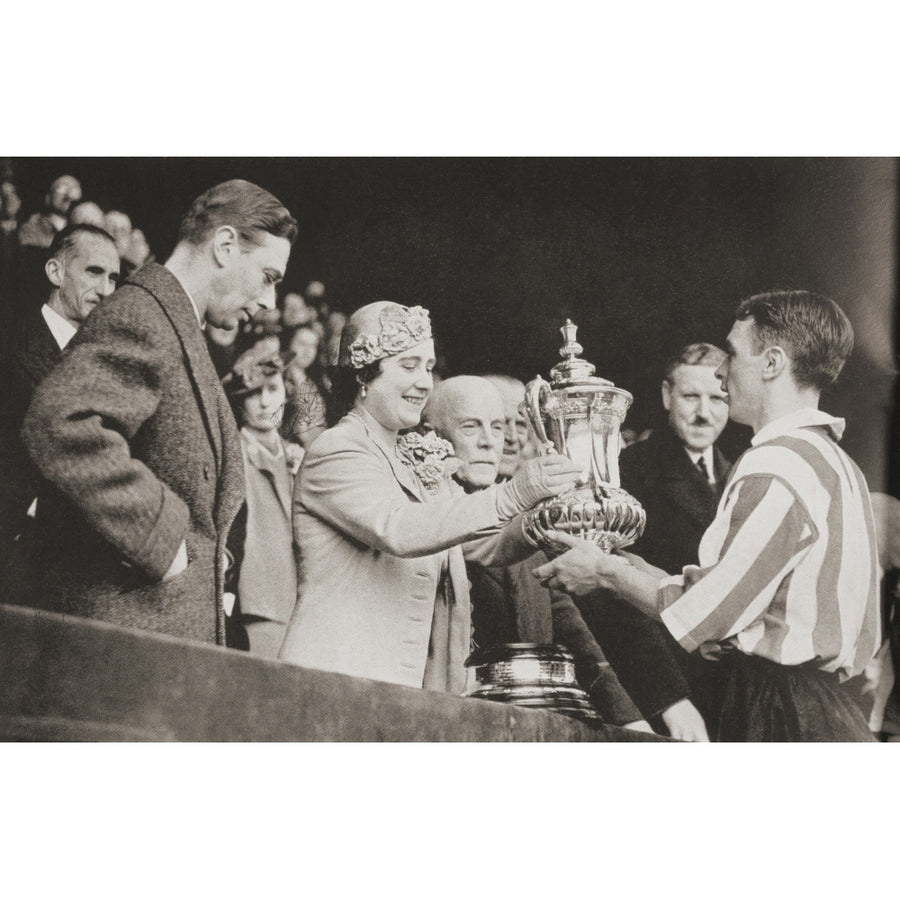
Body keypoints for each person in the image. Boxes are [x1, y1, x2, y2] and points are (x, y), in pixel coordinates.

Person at [535, 289, 882, 741]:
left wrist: (603, 570)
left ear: (772, 363)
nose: (722, 372)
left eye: (733, 355)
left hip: (777, 712)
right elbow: (757, 604)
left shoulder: (776, 462)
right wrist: (632, 570)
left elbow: (709, 613)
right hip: (826, 711)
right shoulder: (836, 463)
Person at [20, 180, 298, 645]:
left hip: (151, 646)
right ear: (225, 246)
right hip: (123, 647)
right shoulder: (142, 315)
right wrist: (160, 535)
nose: (269, 300)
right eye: (268, 276)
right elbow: (59, 421)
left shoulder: (178, 326)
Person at [279, 301, 582, 693]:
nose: (424, 381)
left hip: (402, 693)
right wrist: (517, 491)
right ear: (364, 375)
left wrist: (546, 517)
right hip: (331, 681)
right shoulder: (337, 449)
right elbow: (400, 529)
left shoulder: (411, 458)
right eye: (408, 365)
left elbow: (483, 546)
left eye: (427, 366)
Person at [425, 375, 651, 730]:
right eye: (471, 427)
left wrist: (631, 721)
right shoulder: (426, 521)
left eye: (499, 427)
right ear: (433, 436)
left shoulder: (526, 527)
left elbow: (574, 635)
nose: (491, 442)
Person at [578, 343, 733, 741]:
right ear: (666, 395)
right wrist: (670, 699)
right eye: (691, 396)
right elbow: (612, 590)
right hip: (667, 692)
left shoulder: (740, 475)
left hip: (734, 691)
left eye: (717, 397)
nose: (704, 412)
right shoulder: (630, 473)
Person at [0, 224, 120, 587]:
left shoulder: (107, 365)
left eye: (114, 278)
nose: (105, 290)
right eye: (94, 272)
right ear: (55, 271)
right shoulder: (8, 345)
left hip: (79, 569)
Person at [223, 345, 303, 657]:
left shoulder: (296, 455)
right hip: (256, 601)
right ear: (240, 400)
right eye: (254, 393)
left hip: (299, 601)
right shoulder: (233, 452)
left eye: (273, 389)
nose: (265, 402)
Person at [18, 174, 82, 248]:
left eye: (74, 189)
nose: (69, 195)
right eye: (62, 188)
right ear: (48, 197)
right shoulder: (34, 223)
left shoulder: (81, 223)